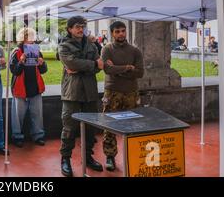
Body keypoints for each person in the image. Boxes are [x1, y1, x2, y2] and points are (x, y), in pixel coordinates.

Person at [57, 16, 103, 176]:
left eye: (82, 27)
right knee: (69, 127)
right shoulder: (64, 46)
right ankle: (65, 159)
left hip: (90, 92)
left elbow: (100, 67)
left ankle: (88, 157)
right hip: (72, 92)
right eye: (77, 27)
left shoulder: (91, 45)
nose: (80, 29)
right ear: (69, 29)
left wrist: (86, 66)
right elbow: (72, 63)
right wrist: (92, 64)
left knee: (90, 128)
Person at [101, 21, 144, 171]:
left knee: (133, 124)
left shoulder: (135, 51)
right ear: (112, 33)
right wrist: (127, 68)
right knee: (109, 125)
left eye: (123, 31)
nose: (121, 34)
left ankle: (132, 154)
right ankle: (110, 157)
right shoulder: (107, 49)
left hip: (131, 92)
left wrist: (117, 70)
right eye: (117, 31)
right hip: (112, 92)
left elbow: (140, 73)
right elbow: (107, 70)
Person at [10, 27, 47, 148]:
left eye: (33, 37)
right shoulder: (16, 52)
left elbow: (43, 70)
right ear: (23, 39)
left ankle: (38, 135)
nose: (32, 40)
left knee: (37, 114)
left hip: (35, 87)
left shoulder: (36, 50)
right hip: (21, 88)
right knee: (18, 116)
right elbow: (14, 71)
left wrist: (42, 63)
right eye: (29, 37)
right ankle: (17, 137)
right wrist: (21, 62)